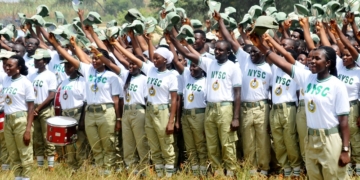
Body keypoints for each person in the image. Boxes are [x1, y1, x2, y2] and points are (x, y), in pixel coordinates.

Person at [251, 32, 350, 179]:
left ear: (328, 63)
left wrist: (345, 150)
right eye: (310, 58)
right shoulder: (307, 78)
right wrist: (262, 47)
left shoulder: (337, 85)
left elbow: (344, 121)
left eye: (317, 58)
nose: (311, 61)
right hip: (311, 139)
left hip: (330, 139)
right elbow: (282, 63)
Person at [170, 21, 241, 176]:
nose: (217, 53)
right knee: (212, 143)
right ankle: (217, 173)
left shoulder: (233, 67)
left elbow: (237, 93)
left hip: (225, 107)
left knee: (227, 143)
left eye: (221, 51)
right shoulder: (209, 63)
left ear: (228, 52)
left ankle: (231, 173)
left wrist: (236, 117)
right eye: (216, 50)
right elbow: (187, 53)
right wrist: (173, 38)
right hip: (210, 108)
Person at [48, 34, 122, 175]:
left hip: (106, 112)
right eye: (92, 58)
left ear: (103, 60)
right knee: (96, 145)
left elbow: (116, 100)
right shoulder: (88, 71)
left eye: (97, 58)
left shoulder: (112, 77)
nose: (94, 61)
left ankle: (109, 172)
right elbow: (71, 58)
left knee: (109, 144)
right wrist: (57, 44)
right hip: (90, 113)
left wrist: (118, 119)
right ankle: (101, 171)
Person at [111, 38, 178, 177]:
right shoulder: (150, 70)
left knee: (165, 143)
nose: (154, 60)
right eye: (153, 58)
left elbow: (174, 100)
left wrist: (171, 121)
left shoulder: (171, 76)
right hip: (150, 110)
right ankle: (159, 174)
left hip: (163, 111)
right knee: (153, 144)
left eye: (157, 58)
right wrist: (117, 45)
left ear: (165, 60)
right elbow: (132, 58)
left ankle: (169, 174)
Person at [218, 14, 273, 176]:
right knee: (248, 140)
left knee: (262, 140)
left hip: (262, 107)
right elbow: (230, 40)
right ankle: (251, 169)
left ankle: (263, 169)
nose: (253, 54)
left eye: (257, 52)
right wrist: (220, 21)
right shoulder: (244, 59)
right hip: (246, 107)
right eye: (252, 52)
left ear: (263, 53)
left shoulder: (270, 66)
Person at [167, 37, 208, 176]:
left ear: (202, 69)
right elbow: (176, 60)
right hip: (186, 115)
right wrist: (172, 42)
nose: (191, 68)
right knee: (190, 146)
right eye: (190, 66)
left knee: (201, 145)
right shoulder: (186, 76)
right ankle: (195, 171)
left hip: (200, 115)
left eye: (194, 66)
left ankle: (204, 171)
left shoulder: (206, 80)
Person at [330, 20, 360, 176]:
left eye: (349, 55)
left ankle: (358, 168)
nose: (345, 57)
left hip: (353, 106)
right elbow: (341, 44)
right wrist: (337, 28)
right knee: (342, 137)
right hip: (338, 107)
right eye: (343, 55)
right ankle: (346, 168)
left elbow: (348, 47)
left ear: (355, 56)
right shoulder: (340, 65)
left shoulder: (358, 71)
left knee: (354, 137)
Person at [2, 55, 35, 180]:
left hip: (21, 119)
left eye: (10, 65)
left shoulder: (26, 83)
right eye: (6, 65)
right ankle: (18, 177)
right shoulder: (6, 79)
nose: (7, 68)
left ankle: (26, 177)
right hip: (8, 119)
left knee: (24, 152)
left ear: (18, 68)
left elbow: (31, 107)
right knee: (13, 153)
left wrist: (27, 130)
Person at [27, 48, 57, 171]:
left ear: (44, 61)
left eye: (38, 59)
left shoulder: (50, 75)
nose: (35, 61)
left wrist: (38, 108)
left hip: (45, 109)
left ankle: (50, 165)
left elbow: (51, 95)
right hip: (34, 108)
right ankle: (40, 165)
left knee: (47, 137)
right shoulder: (31, 75)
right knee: (37, 138)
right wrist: (32, 109)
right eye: (35, 59)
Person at [58, 58, 88, 172]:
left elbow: (85, 101)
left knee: (79, 142)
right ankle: (72, 167)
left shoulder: (82, 81)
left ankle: (82, 168)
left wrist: (82, 120)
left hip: (77, 112)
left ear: (76, 67)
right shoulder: (64, 82)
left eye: (69, 66)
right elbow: (61, 101)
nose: (67, 69)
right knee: (68, 142)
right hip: (66, 114)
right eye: (65, 67)